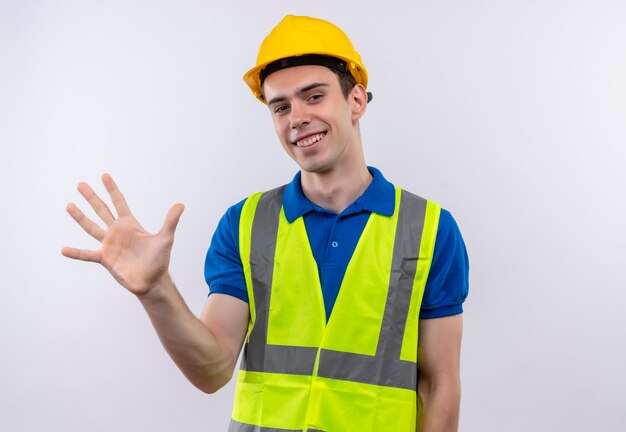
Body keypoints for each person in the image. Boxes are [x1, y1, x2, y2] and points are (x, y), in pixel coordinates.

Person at [62, 15, 469, 432]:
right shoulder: (245, 224)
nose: (296, 118)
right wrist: (155, 291)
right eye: (281, 106)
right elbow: (212, 369)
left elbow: (439, 386)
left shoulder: (430, 229)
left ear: (357, 101)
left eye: (314, 96)